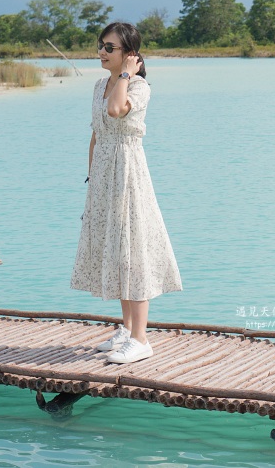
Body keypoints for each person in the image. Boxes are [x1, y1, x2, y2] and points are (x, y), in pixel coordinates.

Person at [70, 22, 182, 364]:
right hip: (104, 176)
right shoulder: (99, 85)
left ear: (129, 55)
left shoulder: (138, 87)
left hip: (129, 173)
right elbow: (95, 133)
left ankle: (141, 338)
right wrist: (91, 179)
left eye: (110, 48)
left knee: (133, 247)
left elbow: (116, 111)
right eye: (101, 46)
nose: (101, 52)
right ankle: (126, 328)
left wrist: (126, 76)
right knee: (117, 249)